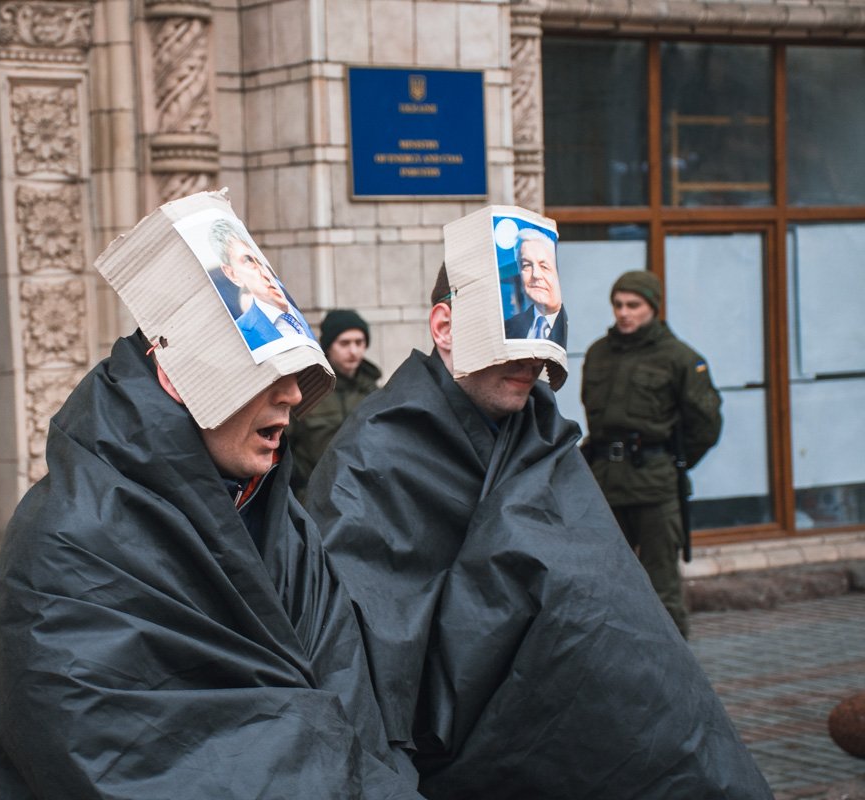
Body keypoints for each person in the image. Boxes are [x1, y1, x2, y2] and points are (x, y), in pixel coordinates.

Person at [0, 198, 421, 799]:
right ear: (176, 375)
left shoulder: (279, 517)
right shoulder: (65, 536)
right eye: (268, 373)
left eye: (295, 373)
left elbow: (347, 691)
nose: (293, 395)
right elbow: (107, 751)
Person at [305, 262, 771, 799]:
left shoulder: (542, 438)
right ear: (446, 328)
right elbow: (361, 659)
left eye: (543, 332)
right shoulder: (371, 456)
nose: (533, 360)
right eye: (511, 335)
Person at [581, 270, 723, 638]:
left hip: (655, 487)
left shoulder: (680, 358)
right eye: (618, 304)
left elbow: (706, 425)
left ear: (653, 308)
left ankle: (672, 667)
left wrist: (668, 462)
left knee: (662, 589)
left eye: (634, 305)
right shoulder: (598, 353)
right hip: (605, 484)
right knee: (604, 582)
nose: (624, 312)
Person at [287, 309, 380, 500]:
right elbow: (283, 447)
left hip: (364, 497)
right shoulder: (308, 392)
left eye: (359, 342)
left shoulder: (373, 392)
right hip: (313, 498)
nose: (353, 351)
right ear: (329, 347)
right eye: (344, 343)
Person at [209, 218, 315, 348]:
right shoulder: (241, 334)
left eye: (260, 261)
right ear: (232, 274)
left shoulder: (297, 315)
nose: (266, 274)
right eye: (248, 261)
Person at [503, 227, 568, 347]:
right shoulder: (508, 329)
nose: (536, 275)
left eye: (544, 266)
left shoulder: (573, 322)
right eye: (526, 265)